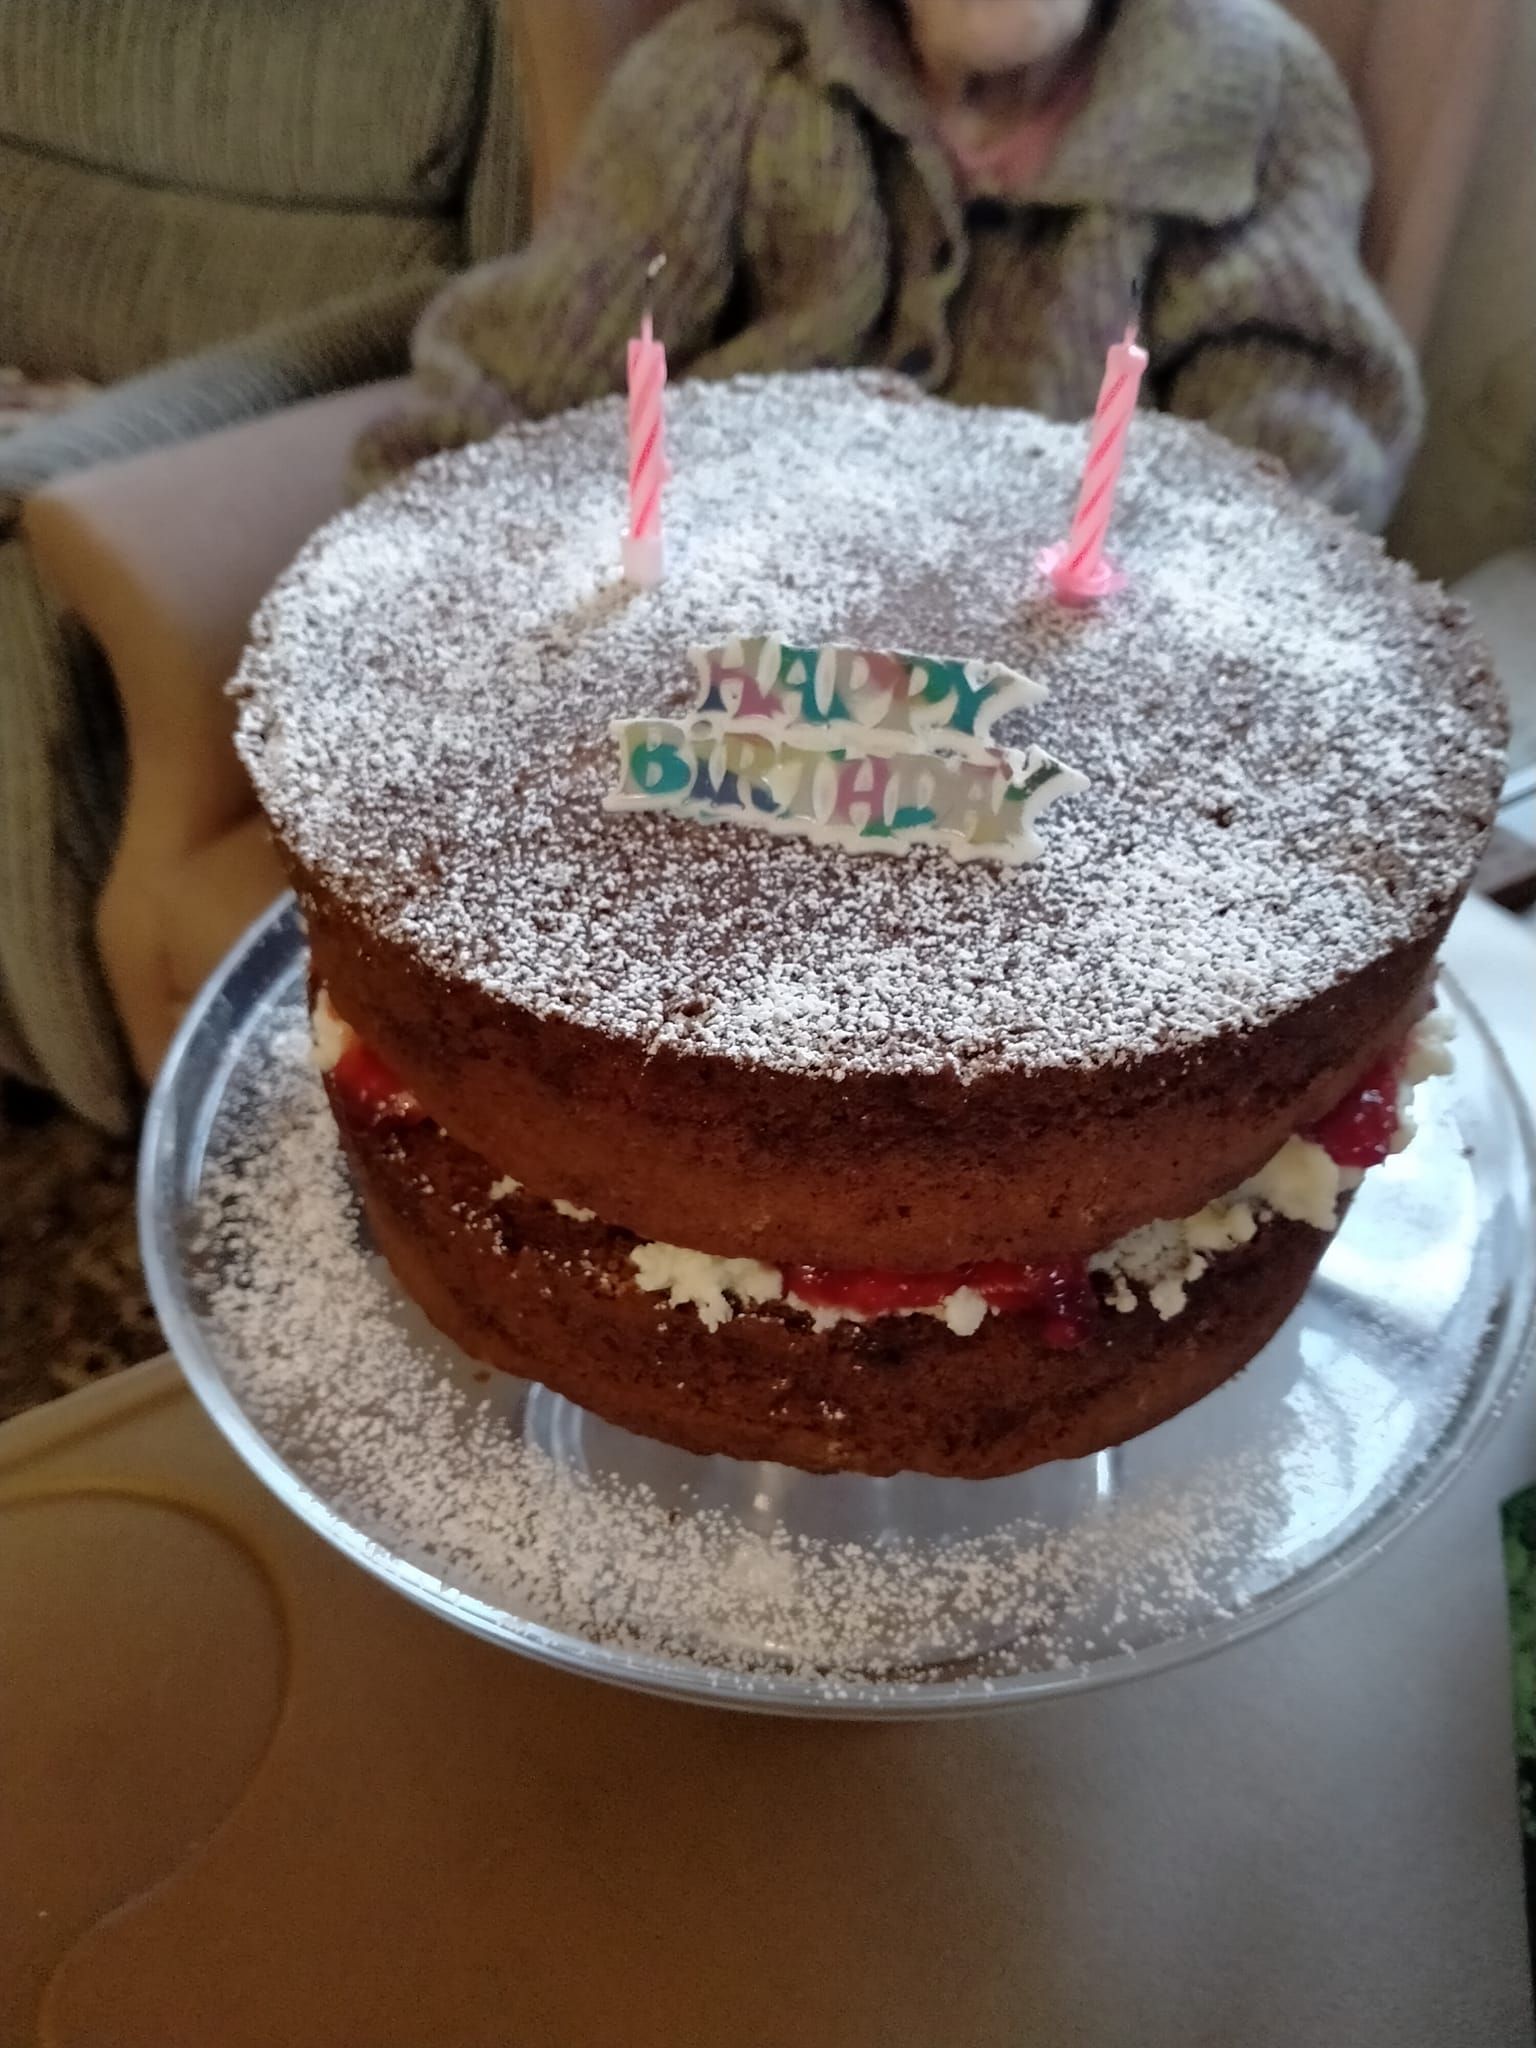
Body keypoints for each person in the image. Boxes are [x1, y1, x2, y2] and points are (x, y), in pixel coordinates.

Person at [358, 0, 1421, 529]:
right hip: (714, 700)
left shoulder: (1252, 101)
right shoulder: (730, 66)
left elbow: (1291, 480)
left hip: (1052, 758)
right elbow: (506, 393)